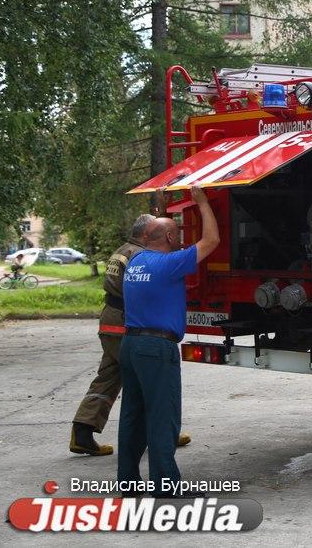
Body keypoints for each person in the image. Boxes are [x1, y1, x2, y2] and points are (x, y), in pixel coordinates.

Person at [117, 186, 219, 493]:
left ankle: (129, 483)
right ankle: (165, 484)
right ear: (172, 240)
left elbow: (158, 233)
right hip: (155, 349)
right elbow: (212, 241)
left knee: (133, 416)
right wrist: (202, 203)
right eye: (177, 233)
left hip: (131, 345)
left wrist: (164, 209)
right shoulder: (169, 265)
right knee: (163, 417)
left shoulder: (135, 261)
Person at [69, 214, 192, 456]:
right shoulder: (140, 255)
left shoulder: (122, 250)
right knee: (150, 379)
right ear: (146, 233)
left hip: (110, 321)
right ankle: (162, 433)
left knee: (109, 376)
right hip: (127, 322)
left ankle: (82, 431)